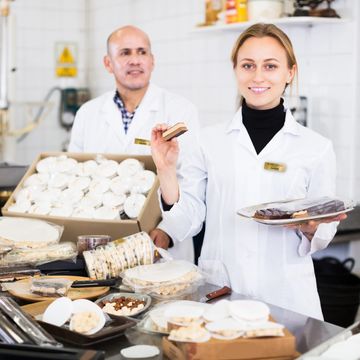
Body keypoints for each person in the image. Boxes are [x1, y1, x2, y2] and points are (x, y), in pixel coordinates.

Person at [150, 23, 347, 319]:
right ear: (236, 70)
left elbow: (323, 227)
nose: (258, 77)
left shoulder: (315, 147)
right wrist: (166, 170)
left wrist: (312, 227)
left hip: (288, 296)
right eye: (248, 65)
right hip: (223, 291)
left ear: (289, 73)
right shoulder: (209, 141)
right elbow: (187, 219)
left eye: (270, 66)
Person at [68, 25, 199, 262]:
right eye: (125, 53)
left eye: (142, 52)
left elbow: (193, 185)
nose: (135, 60)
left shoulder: (180, 110)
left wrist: (169, 232)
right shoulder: (88, 114)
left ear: (152, 60)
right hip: (100, 248)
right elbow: (75, 183)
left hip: (161, 248)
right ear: (108, 63)